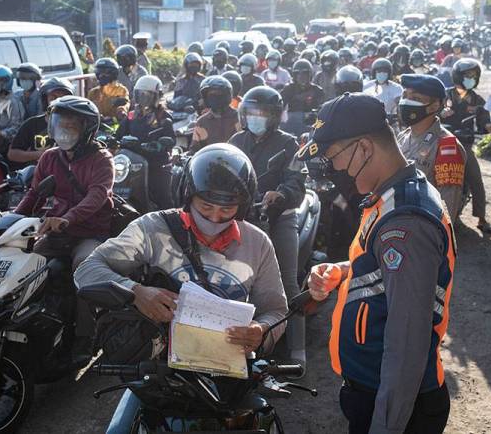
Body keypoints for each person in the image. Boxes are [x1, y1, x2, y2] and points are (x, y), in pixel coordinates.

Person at [297, 93, 455, 434]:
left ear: (364, 148)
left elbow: (407, 346)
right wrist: (343, 271)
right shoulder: (390, 197)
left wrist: (385, 426)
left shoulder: (406, 222)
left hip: (399, 406)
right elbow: (386, 270)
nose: (332, 170)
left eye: (332, 158)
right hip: (376, 389)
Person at [74, 143, 288, 356]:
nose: (214, 218)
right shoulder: (151, 229)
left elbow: (276, 311)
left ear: (242, 208)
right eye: (205, 207)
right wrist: (135, 293)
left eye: (226, 209)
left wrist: (261, 330)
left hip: (228, 366)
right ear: (187, 196)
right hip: (159, 366)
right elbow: (87, 271)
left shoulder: (258, 243)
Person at [228, 86, 306, 369]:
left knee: (287, 281)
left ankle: (298, 351)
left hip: (278, 217)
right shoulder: (236, 140)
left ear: (273, 116)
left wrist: (280, 194)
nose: (255, 118)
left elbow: (297, 184)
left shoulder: (289, 143)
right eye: (251, 112)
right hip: (240, 217)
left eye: (262, 113)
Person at [15, 95, 114, 270]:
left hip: (90, 232)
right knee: (24, 265)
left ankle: (84, 298)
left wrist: (66, 219)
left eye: (71, 127)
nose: (63, 132)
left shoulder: (101, 159)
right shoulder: (49, 156)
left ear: (87, 130)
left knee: (84, 265)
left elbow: (96, 197)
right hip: (56, 232)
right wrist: (13, 218)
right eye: (60, 126)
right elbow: (34, 193)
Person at [396, 74, 466, 223]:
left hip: (422, 230)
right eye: (405, 95)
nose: (406, 101)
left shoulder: (447, 147)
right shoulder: (404, 136)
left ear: (434, 106)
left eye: (416, 98)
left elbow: (447, 206)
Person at [441, 58, 491, 235]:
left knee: (476, 179)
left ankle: (481, 219)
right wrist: (441, 113)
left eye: (474, 76)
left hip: (464, 145)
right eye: (468, 75)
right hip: (442, 142)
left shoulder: (478, 99)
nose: (471, 78)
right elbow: (433, 113)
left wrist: (489, 127)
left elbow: (483, 122)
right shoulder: (444, 95)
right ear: (458, 76)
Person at [116, 75, 175, 209]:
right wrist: (109, 140)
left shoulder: (164, 117)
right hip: (132, 165)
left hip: (157, 165)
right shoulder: (131, 116)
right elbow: (118, 134)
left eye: (147, 95)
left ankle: (173, 224)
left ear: (156, 96)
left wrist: (159, 145)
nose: (143, 98)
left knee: (164, 198)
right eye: (140, 94)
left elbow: (171, 139)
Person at [8, 77, 75, 166]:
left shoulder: (76, 124)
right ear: (44, 100)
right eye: (53, 97)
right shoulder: (32, 124)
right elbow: (12, 154)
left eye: (63, 97)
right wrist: (39, 155)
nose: (58, 101)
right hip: (39, 174)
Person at [190, 76, 240, 153]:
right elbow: (194, 150)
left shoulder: (239, 118)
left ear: (227, 95)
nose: (215, 97)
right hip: (210, 163)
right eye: (212, 94)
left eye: (219, 94)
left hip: (237, 161)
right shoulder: (202, 122)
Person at [280, 59, 325, 136]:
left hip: (311, 126)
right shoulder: (288, 89)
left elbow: (323, 110)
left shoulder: (317, 90)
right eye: (298, 74)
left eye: (305, 73)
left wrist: (315, 114)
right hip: (291, 126)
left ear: (310, 75)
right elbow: (280, 106)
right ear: (294, 75)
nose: (301, 76)